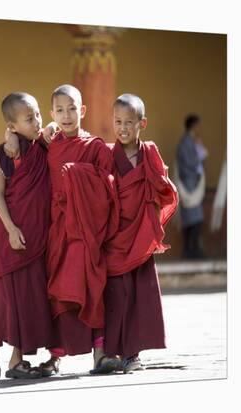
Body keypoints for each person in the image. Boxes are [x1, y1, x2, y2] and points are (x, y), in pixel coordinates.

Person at [4, 85, 120, 375]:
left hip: (86, 233)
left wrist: (76, 174)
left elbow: (108, 187)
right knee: (57, 292)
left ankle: (101, 353)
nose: (66, 116)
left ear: (82, 111)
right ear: (52, 113)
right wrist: (11, 138)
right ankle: (55, 357)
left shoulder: (94, 146)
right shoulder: (49, 144)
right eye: (59, 110)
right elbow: (24, 160)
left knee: (92, 289)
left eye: (71, 109)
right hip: (57, 232)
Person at [0, 92, 55, 381]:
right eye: (29, 118)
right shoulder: (5, 152)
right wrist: (11, 229)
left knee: (28, 297)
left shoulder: (43, 146)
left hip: (36, 237)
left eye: (37, 114)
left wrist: (41, 131)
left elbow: (58, 128)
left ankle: (17, 360)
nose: (37, 121)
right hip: (9, 233)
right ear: (12, 126)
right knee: (3, 296)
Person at [103, 93, 178, 373]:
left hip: (142, 235)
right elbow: (101, 191)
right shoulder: (108, 154)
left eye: (129, 122)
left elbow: (163, 187)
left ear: (142, 123)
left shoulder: (149, 152)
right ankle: (110, 352)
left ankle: (133, 354)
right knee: (115, 295)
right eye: (118, 121)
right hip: (116, 234)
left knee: (140, 295)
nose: (122, 128)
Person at [175, 114, 207, 259]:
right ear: (193, 126)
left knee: (193, 219)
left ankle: (191, 250)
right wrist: (200, 155)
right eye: (198, 125)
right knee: (193, 220)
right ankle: (190, 250)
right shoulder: (185, 143)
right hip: (189, 186)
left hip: (193, 184)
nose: (200, 129)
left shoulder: (191, 141)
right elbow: (189, 163)